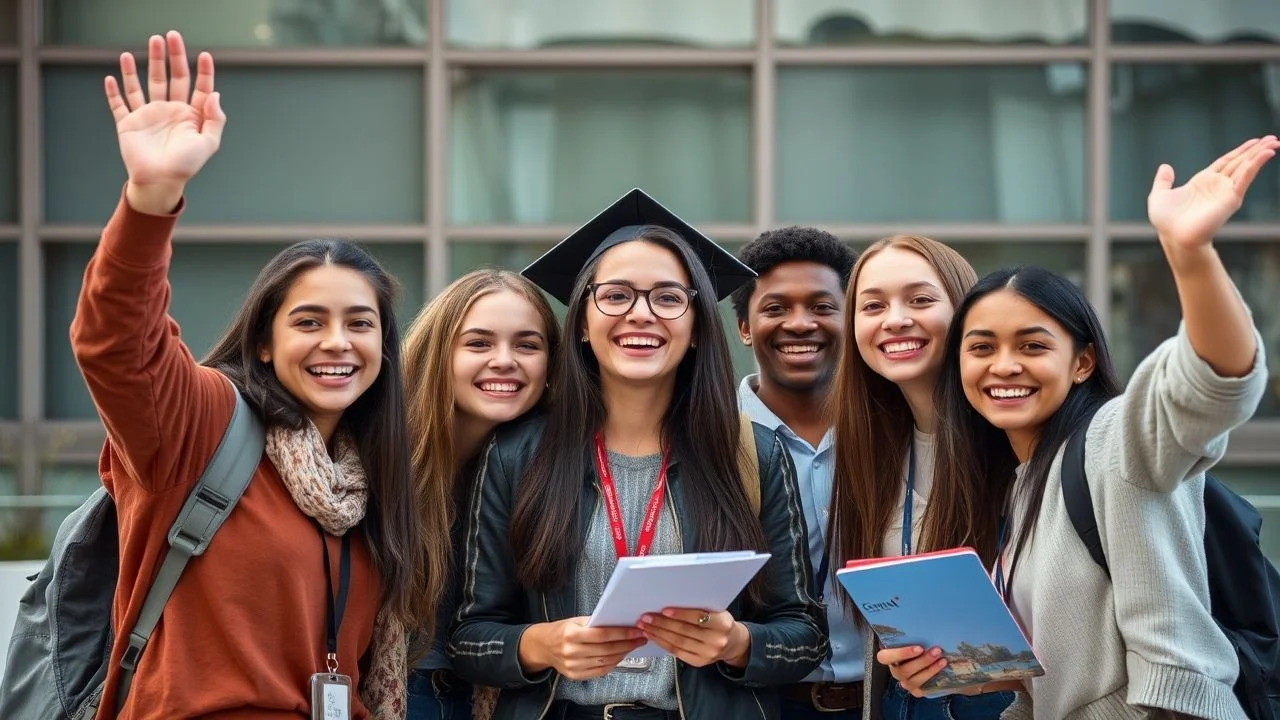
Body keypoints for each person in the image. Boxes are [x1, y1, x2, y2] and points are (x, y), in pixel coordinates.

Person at [73, 31, 428, 718]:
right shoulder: (205, 425)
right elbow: (116, 343)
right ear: (263, 342)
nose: (338, 342)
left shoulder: (371, 479)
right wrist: (152, 197)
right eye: (308, 322)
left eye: (360, 323)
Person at [889, 136, 1278, 718]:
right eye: (981, 347)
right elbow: (1069, 671)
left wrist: (1190, 253)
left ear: (1082, 362)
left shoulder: (1111, 439)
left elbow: (1210, 385)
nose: (1004, 366)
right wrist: (972, 674)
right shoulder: (1023, 484)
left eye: (1032, 345)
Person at [448, 189, 827, 720]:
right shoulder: (518, 453)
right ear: (582, 321)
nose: (641, 314)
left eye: (668, 298)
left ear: (696, 328)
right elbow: (468, 637)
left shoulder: (751, 453)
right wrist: (541, 644)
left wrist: (736, 642)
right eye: (617, 295)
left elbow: (806, 635)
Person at [828, 235, 1014, 719]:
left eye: (920, 299)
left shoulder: (1020, 443)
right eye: (872, 305)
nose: (894, 319)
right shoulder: (867, 452)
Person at [404, 270, 560, 720]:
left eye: (527, 345)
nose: (504, 360)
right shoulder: (379, 454)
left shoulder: (551, 469)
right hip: (390, 693)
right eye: (478, 343)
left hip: (496, 700)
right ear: (439, 351)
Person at [730, 227, 863, 718]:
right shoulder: (709, 441)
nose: (800, 323)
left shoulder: (892, 436)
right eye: (776, 308)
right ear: (744, 327)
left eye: (823, 307)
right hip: (759, 699)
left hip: (887, 699)